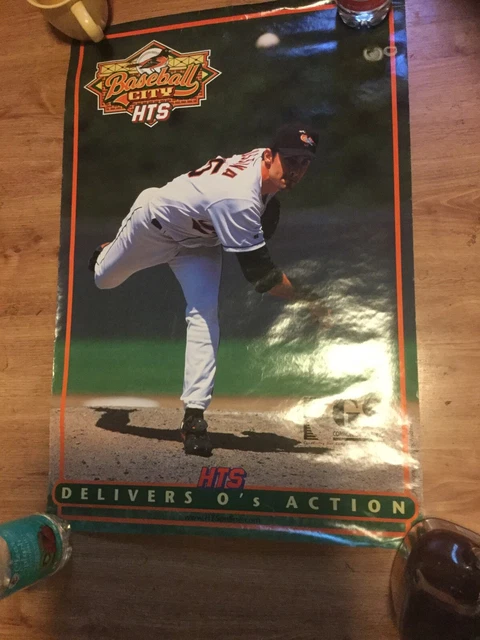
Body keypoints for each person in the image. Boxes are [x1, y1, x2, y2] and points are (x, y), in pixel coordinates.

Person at [89, 123, 321, 457]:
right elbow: (262, 278)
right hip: (153, 227)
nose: (297, 169)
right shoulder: (239, 199)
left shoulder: (262, 168)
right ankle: (110, 249)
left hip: (199, 244)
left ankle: (194, 416)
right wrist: (309, 298)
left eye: (304, 162)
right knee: (104, 279)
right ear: (269, 156)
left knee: (204, 315)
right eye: (291, 159)